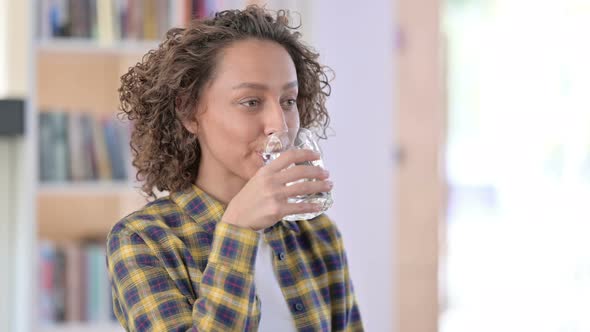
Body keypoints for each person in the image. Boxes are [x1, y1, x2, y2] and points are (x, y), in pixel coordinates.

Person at [106, 5, 363, 331]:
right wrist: (238, 231)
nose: (279, 126)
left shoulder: (318, 235)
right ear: (188, 112)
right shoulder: (144, 240)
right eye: (251, 102)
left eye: (288, 101)